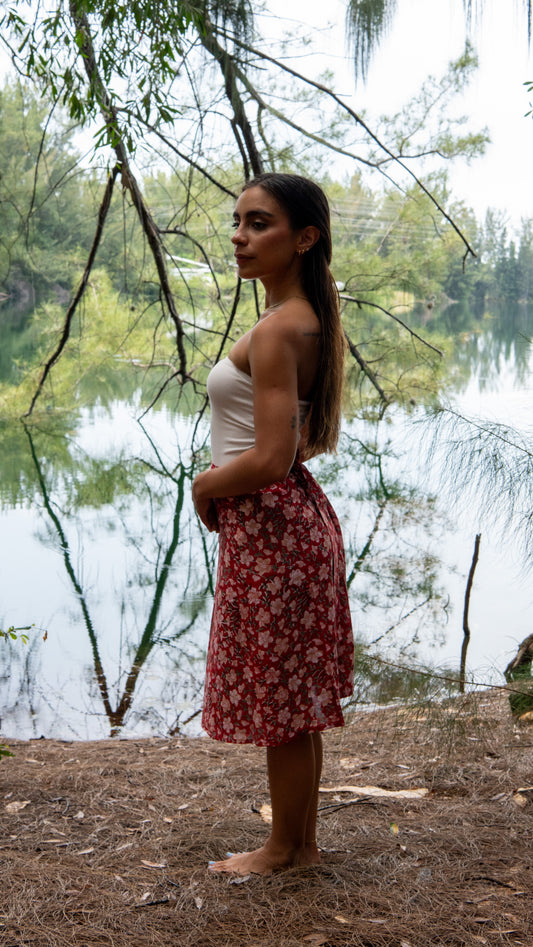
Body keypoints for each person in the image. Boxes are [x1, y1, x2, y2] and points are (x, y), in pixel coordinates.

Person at [192, 172, 354, 876]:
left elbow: (269, 455)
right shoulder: (297, 318)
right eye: (237, 221)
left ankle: (283, 848)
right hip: (284, 521)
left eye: (258, 223)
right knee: (295, 695)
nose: (238, 235)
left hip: (272, 526)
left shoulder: (282, 327)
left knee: (285, 701)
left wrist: (205, 484)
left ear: (304, 237)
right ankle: (301, 844)